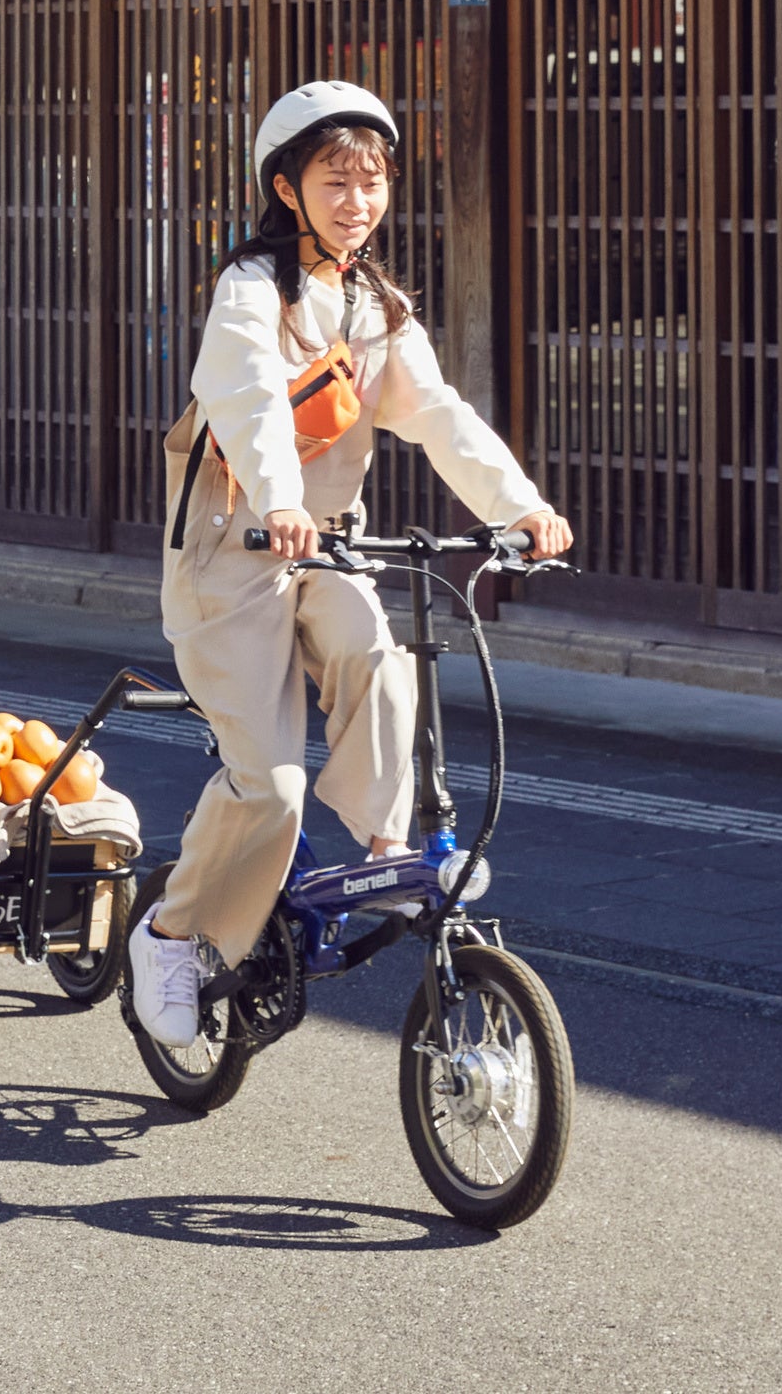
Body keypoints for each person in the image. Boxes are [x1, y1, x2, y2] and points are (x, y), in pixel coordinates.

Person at [127, 80, 575, 1049]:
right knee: (271, 786)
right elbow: (245, 396)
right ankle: (167, 935)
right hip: (231, 556)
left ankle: (386, 846)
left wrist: (522, 508)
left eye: (372, 179)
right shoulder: (248, 289)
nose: (359, 199)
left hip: (324, 544)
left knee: (378, 647)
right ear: (286, 188)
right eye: (337, 178)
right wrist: (281, 498)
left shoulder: (375, 306)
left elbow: (440, 416)